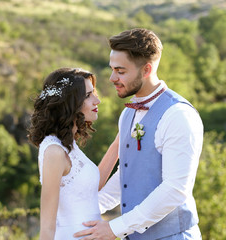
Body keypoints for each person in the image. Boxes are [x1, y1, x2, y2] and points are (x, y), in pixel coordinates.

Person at [74, 28, 203, 240]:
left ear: (146, 70)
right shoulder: (127, 114)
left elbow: (175, 189)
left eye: (120, 71)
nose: (111, 78)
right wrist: (91, 208)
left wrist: (116, 227)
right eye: (112, 69)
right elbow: (128, 175)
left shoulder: (178, 115)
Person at [27, 67, 119, 240]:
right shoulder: (54, 151)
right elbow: (47, 227)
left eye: (94, 93)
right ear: (70, 102)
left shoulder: (69, 146)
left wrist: (118, 145)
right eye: (88, 95)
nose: (97, 100)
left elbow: (91, 188)